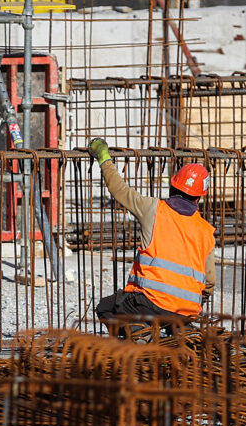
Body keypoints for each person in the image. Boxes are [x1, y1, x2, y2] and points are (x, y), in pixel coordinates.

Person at [88, 139, 216, 330]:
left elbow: (119, 190)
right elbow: (210, 282)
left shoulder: (153, 209)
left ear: (173, 187)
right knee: (174, 320)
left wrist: (104, 157)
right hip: (187, 311)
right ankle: (180, 333)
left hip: (149, 303)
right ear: (199, 197)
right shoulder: (206, 230)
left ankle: (138, 338)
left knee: (106, 307)